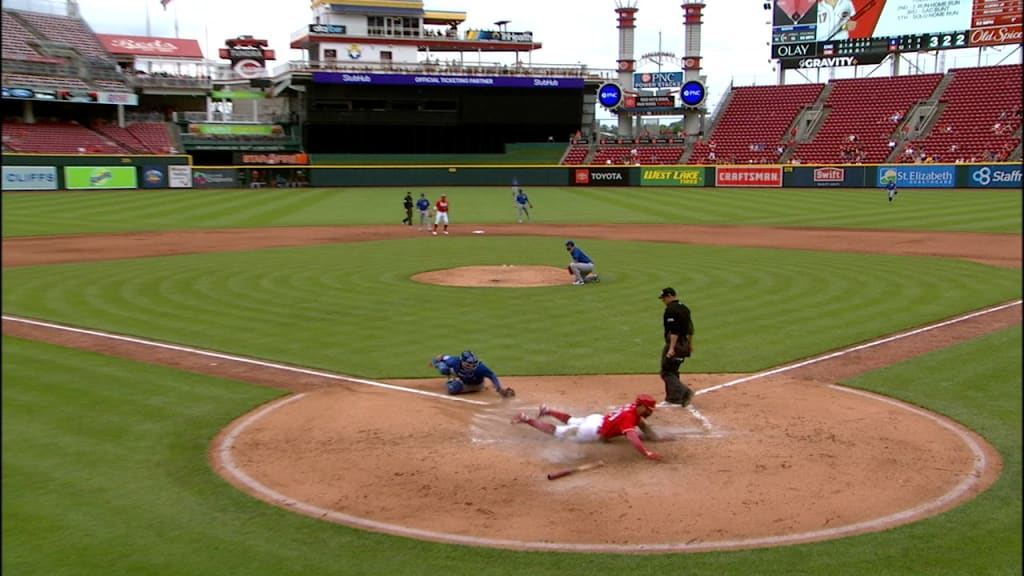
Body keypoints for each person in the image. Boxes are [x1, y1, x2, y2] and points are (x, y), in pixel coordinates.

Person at [511, 394, 662, 461]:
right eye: (648, 409)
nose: (649, 412)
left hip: (596, 419)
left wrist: (654, 437)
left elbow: (642, 425)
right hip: (592, 431)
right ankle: (527, 419)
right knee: (557, 432)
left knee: (571, 420)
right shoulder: (629, 417)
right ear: (641, 406)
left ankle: (547, 411)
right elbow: (632, 437)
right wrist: (645, 453)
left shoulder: (632, 408)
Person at [658, 287, 694, 407]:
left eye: (664, 298)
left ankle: (684, 392)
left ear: (669, 296)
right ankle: (673, 397)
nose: (663, 301)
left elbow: (674, 331)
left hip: (676, 344)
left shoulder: (671, 310)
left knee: (666, 372)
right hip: (684, 343)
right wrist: (689, 345)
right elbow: (691, 330)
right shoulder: (685, 308)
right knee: (673, 370)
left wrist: (671, 348)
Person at [428, 350, 514, 398]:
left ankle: (460, 384)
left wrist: (499, 388)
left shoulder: (480, 367)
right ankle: (455, 380)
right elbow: (442, 357)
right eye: (469, 364)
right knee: (443, 368)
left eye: (473, 364)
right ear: (462, 361)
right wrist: (434, 362)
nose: (472, 366)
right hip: (462, 374)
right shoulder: (454, 361)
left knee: (452, 388)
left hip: (475, 384)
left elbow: (491, 375)